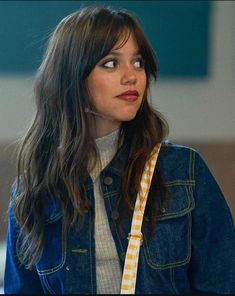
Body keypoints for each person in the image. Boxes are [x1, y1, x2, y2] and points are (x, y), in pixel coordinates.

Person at [4, 6, 235, 294]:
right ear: (71, 76)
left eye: (138, 62)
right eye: (111, 63)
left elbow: (222, 284)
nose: (131, 76)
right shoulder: (34, 191)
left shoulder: (184, 170)